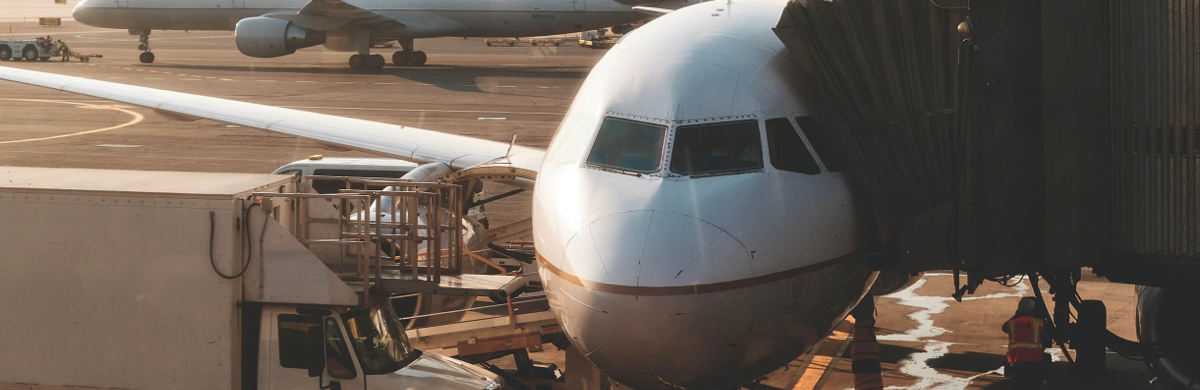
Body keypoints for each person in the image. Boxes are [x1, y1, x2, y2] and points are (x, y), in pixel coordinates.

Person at [1003, 297, 1047, 389]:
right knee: (1034, 385)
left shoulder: (1012, 323)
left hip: (1016, 361)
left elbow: (1004, 327)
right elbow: (1048, 336)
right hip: (1035, 361)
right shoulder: (1039, 323)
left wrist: (1017, 315)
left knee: (1019, 385)